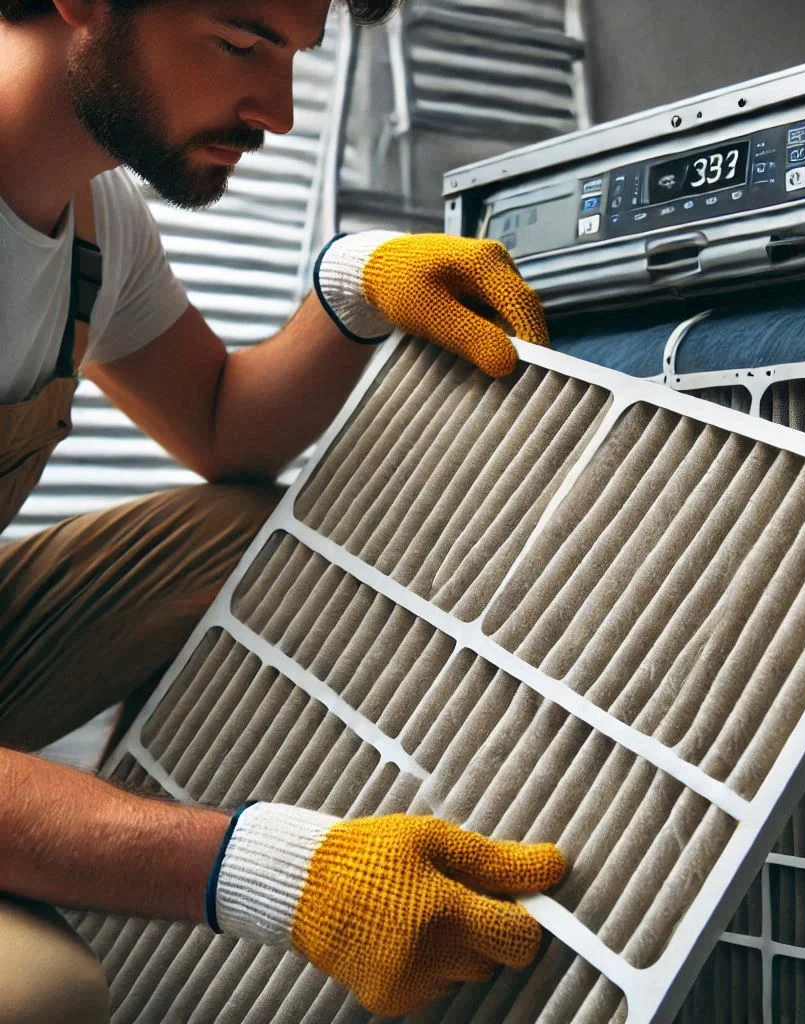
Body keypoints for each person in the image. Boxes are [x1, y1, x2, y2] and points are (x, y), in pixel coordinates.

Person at [0, 0, 565, 1020]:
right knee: (49, 993)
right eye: (243, 40)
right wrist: (265, 869)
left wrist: (354, 286)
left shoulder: (95, 218)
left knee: (250, 538)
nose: (280, 110)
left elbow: (222, 424)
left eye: (298, 57)